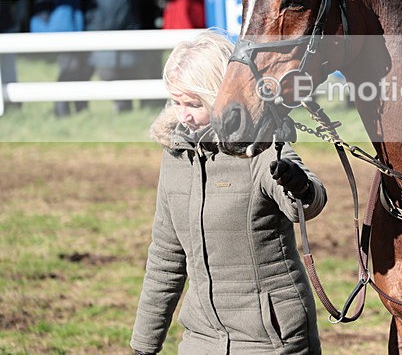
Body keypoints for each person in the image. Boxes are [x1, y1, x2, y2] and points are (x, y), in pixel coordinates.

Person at [131, 30, 326, 355]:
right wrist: (144, 345)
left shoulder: (261, 145)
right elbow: (166, 258)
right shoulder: (176, 155)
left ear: (221, 94)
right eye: (176, 102)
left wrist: (298, 184)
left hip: (272, 340)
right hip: (200, 339)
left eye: (194, 103)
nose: (183, 115)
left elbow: (309, 204)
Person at [74, 0, 140, 112]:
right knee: (105, 70)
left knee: (127, 70)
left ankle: (125, 109)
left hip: (125, 29)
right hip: (100, 27)